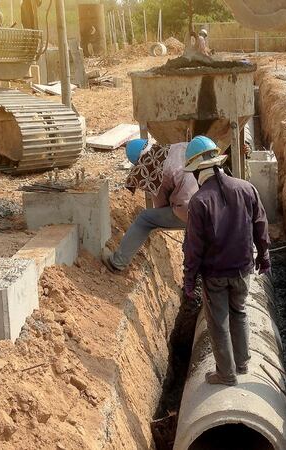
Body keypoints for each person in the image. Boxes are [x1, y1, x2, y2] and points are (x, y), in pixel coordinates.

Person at [181, 135, 271, 386]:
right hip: (243, 269)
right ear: (218, 162)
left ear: (197, 170)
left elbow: (193, 248)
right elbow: (261, 226)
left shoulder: (199, 202)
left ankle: (226, 374)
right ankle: (242, 363)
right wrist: (263, 256)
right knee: (239, 312)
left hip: (216, 274)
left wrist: (189, 279)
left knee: (218, 323)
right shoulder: (246, 188)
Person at [102, 139, 199, 272]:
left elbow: (161, 206)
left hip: (193, 210)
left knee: (145, 219)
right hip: (215, 201)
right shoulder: (178, 147)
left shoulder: (153, 169)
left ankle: (117, 262)